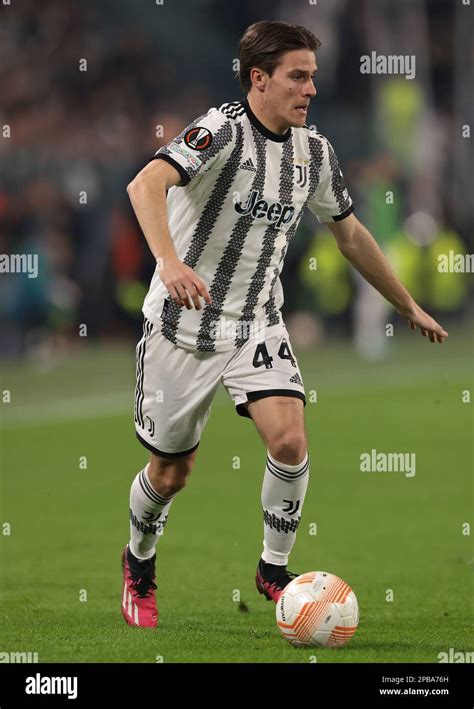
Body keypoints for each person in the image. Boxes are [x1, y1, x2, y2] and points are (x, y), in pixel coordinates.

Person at [122, 20, 448, 628]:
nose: (310, 90)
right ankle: (138, 563)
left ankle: (274, 571)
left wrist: (406, 305)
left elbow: (348, 233)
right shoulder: (218, 131)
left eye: (313, 78)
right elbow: (146, 184)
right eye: (298, 77)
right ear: (259, 79)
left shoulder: (313, 152)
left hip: (256, 325)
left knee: (291, 441)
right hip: (181, 327)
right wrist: (169, 263)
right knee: (172, 472)